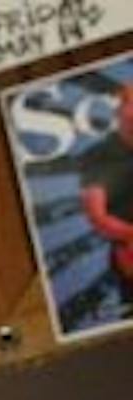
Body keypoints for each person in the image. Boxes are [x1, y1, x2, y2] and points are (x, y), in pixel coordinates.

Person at [78, 82, 133, 317]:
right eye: (130, 104)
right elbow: (97, 217)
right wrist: (130, 235)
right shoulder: (97, 156)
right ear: (120, 110)